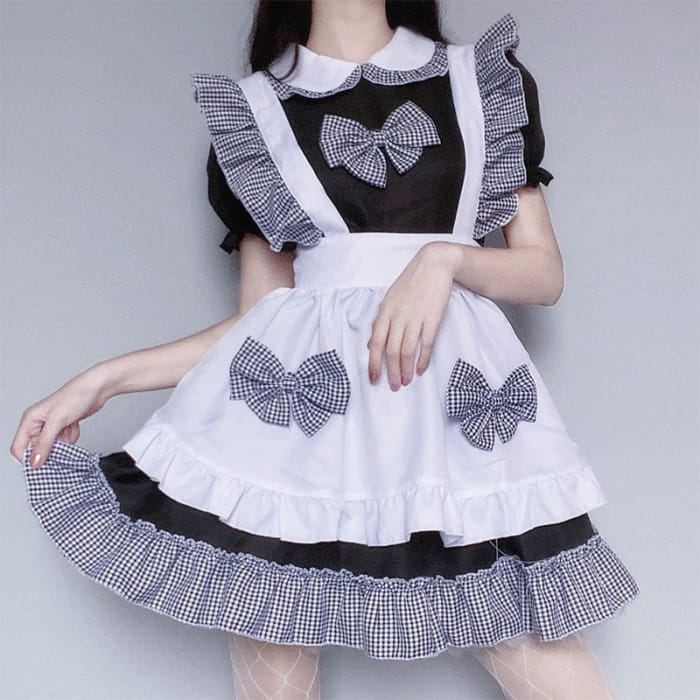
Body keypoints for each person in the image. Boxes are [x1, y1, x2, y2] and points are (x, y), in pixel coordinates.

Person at [10, 1, 640, 698]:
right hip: (303, 434)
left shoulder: (479, 79)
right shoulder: (253, 113)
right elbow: (258, 326)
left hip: (455, 418)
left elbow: (544, 275)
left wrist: (445, 260)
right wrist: (102, 381)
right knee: (274, 655)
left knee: (540, 651)